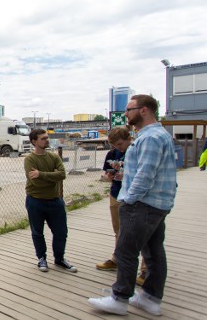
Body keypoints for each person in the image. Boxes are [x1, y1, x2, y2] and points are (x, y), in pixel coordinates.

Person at [89, 95, 177, 316]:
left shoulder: (150, 138)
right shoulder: (157, 135)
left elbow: (145, 175)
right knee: (154, 252)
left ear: (144, 110)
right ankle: (150, 298)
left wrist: (128, 199)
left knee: (126, 251)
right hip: (156, 203)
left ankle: (119, 299)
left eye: (129, 109)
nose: (125, 113)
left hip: (142, 204)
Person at [95, 127, 148, 286]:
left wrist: (126, 175)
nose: (118, 148)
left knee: (142, 233)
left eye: (119, 144)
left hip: (136, 197)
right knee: (119, 230)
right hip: (116, 194)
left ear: (128, 138)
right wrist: (109, 176)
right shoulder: (112, 154)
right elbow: (105, 173)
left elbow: (144, 172)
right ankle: (116, 259)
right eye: (114, 145)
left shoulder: (137, 150)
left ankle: (145, 270)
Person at [24, 129, 77, 273]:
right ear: (34, 141)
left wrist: (41, 174)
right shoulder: (30, 159)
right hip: (35, 201)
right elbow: (35, 183)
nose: (46, 140)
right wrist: (53, 178)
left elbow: (62, 174)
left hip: (55, 201)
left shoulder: (54, 157)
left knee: (61, 232)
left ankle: (59, 259)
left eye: (47, 138)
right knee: (37, 232)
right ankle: (41, 258)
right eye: (43, 138)